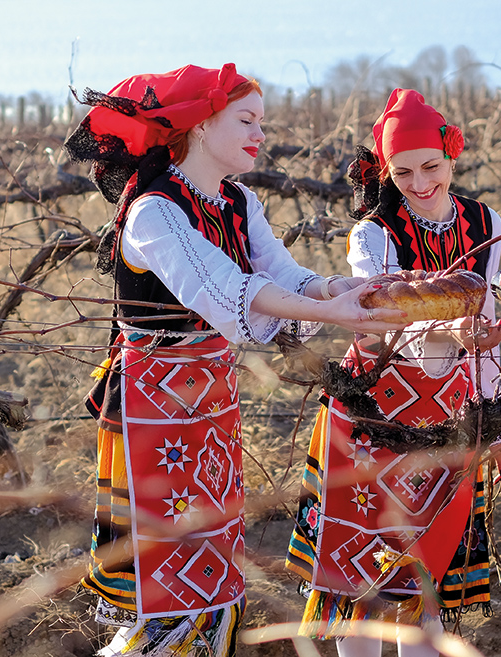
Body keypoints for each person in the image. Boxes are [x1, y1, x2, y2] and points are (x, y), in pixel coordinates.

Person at [63, 63, 406, 657]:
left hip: (211, 403)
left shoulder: (237, 202)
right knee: (169, 577)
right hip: (156, 406)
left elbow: (283, 277)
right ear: (198, 126)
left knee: (213, 563)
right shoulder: (153, 210)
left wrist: (345, 294)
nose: (260, 134)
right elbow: (224, 292)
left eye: (261, 123)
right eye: (246, 120)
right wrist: (333, 314)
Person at [285, 88, 501, 657]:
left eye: (431, 167)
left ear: (451, 156)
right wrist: (449, 332)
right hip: (375, 410)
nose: (419, 183)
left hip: (451, 411)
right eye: (404, 171)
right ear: (388, 171)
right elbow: (388, 318)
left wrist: (495, 415)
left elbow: (484, 328)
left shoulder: (487, 223)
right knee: (358, 581)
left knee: (426, 580)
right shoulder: (372, 233)